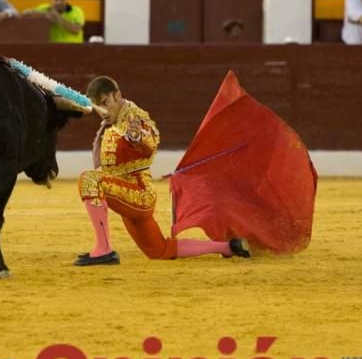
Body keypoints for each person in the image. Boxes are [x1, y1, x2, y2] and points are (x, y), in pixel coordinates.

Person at [74, 76, 251, 266]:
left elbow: (150, 143)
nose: (103, 110)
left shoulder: (132, 116)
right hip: (127, 194)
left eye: (105, 102)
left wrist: (137, 137)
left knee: (90, 180)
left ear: (117, 96)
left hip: (138, 194)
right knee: (159, 250)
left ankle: (104, 250)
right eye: (97, 106)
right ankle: (227, 247)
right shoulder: (113, 121)